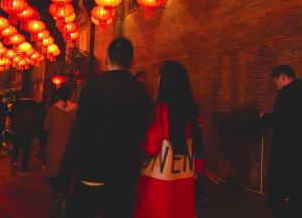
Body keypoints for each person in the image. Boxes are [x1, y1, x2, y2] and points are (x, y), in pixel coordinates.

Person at [58, 37, 152, 218]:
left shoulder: (93, 88)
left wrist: (63, 180)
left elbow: (78, 136)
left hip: (92, 173)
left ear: (107, 59)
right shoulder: (141, 92)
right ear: (132, 62)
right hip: (125, 177)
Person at [135, 61, 204, 218]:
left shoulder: (161, 109)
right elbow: (197, 144)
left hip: (158, 185)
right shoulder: (190, 108)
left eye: (160, 76)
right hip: (183, 182)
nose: (158, 79)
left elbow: (152, 146)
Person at [261, 65, 302, 218]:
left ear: (283, 77)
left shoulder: (286, 94)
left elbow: (280, 120)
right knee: (297, 204)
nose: (277, 86)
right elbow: (297, 121)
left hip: (285, 160)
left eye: (276, 82)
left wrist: (265, 117)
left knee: (273, 199)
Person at [42, 85, 77, 182]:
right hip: (69, 144)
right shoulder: (76, 110)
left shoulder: (53, 109)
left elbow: (46, 127)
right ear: (71, 95)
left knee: (54, 173)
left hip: (54, 144)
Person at [10, 89, 39, 176]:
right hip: (29, 131)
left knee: (16, 148)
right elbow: (36, 118)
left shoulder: (15, 103)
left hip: (17, 130)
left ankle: (15, 162)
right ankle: (24, 169)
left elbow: (12, 116)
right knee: (26, 151)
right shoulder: (34, 104)